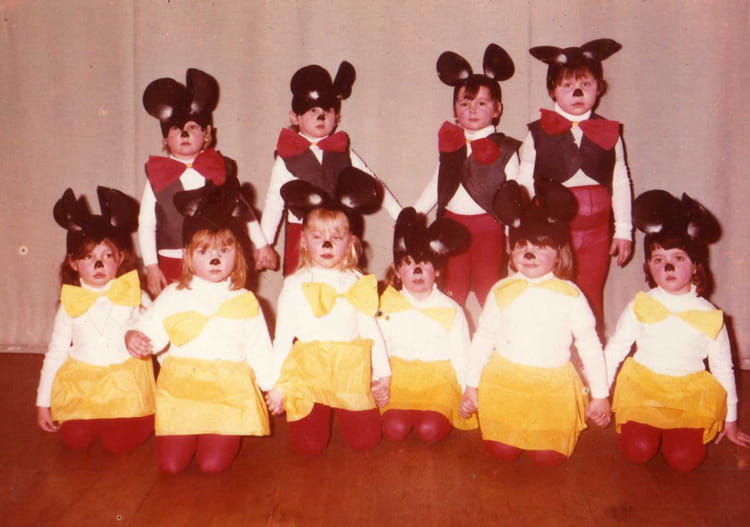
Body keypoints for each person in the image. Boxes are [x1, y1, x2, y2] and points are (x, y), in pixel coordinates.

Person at [126, 179, 274, 474]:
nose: (215, 258)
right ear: (188, 255)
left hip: (227, 390)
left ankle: (218, 435)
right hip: (182, 389)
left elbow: (260, 349)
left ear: (238, 253)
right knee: (171, 466)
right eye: (204, 251)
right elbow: (150, 329)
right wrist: (135, 336)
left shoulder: (244, 300)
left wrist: (273, 388)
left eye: (224, 250)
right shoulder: (174, 294)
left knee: (212, 465)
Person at [460, 179, 610, 467]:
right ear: (511, 250)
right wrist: (471, 386)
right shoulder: (502, 290)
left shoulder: (570, 295)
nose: (529, 254)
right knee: (501, 452)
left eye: (541, 246)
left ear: (558, 253)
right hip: (506, 381)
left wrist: (600, 395)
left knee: (548, 459)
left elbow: (589, 344)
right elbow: (483, 338)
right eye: (521, 246)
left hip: (551, 385)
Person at [606, 190, 750, 471]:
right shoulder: (641, 304)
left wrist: (730, 420)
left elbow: (723, 368)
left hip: (688, 396)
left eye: (678, 258)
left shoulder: (708, 315)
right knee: (638, 450)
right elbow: (615, 349)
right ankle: (648, 430)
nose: (668, 265)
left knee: (685, 460)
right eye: (658, 259)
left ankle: (675, 434)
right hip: (644, 390)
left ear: (696, 266)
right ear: (648, 266)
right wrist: (599, 394)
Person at [264, 168, 391, 455]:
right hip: (309, 370)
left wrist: (383, 373)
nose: (327, 243)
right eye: (318, 236)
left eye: (336, 236)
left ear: (350, 243)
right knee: (309, 447)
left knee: (366, 441)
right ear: (304, 240)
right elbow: (282, 339)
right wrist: (277, 385)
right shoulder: (295, 284)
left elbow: (372, 330)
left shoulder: (358, 281)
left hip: (350, 368)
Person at [517, 39, 632, 327]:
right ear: (552, 90)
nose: (577, 92)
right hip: (555, 233)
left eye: (585, 84)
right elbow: (524, 182)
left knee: (590, 296)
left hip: (598, 235)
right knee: (554, 292)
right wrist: (521, 228)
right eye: (567, 85)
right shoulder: (537, 133)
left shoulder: (610, 132)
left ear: (599, 88)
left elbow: (620, 180)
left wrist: (624, 230)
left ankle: (590, 350)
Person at [37, 187, 155, 453]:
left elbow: (158, 329)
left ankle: (146, 415)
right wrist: (43, 403)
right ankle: (97, 420)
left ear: (121, 258)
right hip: (84, 385)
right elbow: (56, 352)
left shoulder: (134, 293)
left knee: (117, 445)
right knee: (76, 440)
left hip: (125, 383)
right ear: (73, 263)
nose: (98, 264)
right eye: (88, 257)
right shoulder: (71, 302)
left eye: (106, 256)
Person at [259, 61, 401, 275]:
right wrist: (265, 243)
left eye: (327, 110)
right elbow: (274, 200)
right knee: (300, 281)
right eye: (312, 110)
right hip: (302, 232)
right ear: (295, 117)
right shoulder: (286, 156)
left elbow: (373, 184)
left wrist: (400, 215)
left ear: (337, 117)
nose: (321, 116)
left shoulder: (344, 151)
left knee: (340, 281)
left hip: (338, 232)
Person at [140, 68, 273, 296]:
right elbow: (146, 223)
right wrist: (151, 266)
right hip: (172, 258)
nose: (184, 134)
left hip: (215, 256)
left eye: (192, 127)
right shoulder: (157, 174)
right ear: (165, 138)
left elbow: (243, 211)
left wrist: (262, 245)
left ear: (207, 134)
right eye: (176, 128)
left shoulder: (218, 169)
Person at [414, 43, 522, 306]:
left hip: (490, 230)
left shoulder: (507, 149)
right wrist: (414, 214)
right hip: (451, 228)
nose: (472, 110)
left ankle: (493, 333)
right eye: (465, 103)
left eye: (482, 103)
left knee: (490, 292)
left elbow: (514, 200)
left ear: (497, 109)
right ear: (455, 110)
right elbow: (438, 184)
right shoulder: (451, 144)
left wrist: (514, 236)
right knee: (452, 291)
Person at [378, 208, 476, 443]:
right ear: (398, 271)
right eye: (409, 263)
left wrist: (467, 392)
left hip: (438, 379)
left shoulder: (452, 309)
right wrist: (378, 380)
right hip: (399, 377)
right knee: (395, 429)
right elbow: (378, 347)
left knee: (429, 430)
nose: (417, 270)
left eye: (425, 263)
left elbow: (462, 355)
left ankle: (435, 413)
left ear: (438, 270)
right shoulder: (387, 304)